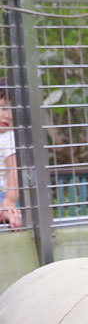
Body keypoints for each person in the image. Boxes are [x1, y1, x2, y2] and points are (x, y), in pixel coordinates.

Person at [0, 80, 21, 229]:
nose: (9, 116)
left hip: (3, 196)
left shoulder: (9, 138)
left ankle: (10, 214)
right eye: (3, 108)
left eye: (14, 110)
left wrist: (9, 201)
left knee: (6, 209)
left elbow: (14, 171)